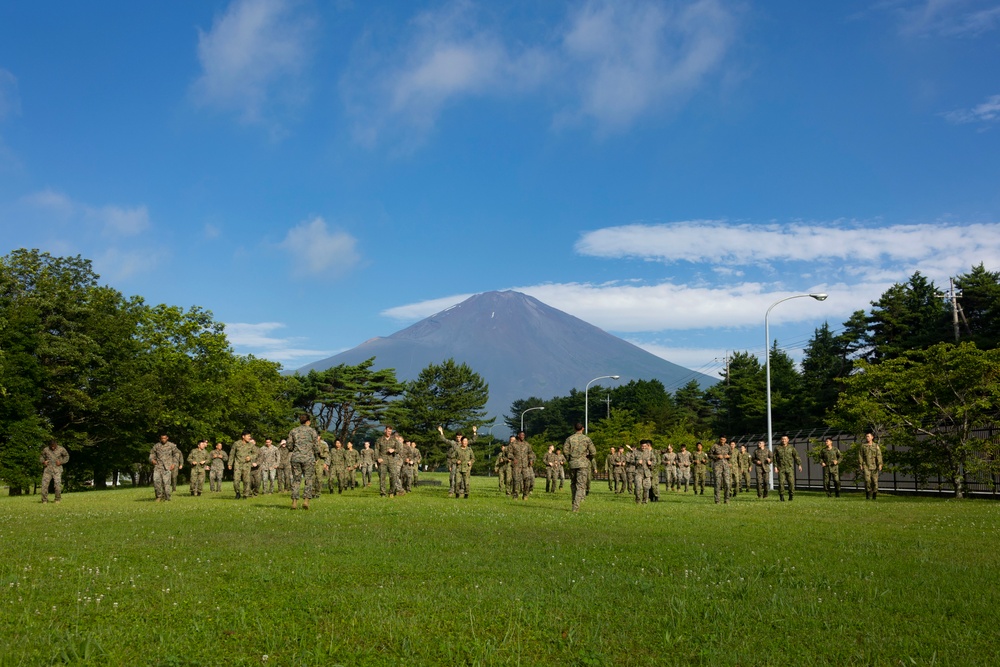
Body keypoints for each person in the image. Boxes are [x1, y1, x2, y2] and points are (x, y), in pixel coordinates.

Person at [287, 414, 319, 509]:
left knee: (296, 480)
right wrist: (317, 456)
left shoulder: (293, 431)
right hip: (308, 458)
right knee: (308, 480)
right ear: (308, 421)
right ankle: (306, 501)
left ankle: (294, 502)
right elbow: (316, 446)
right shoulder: (312, 431)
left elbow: (289, 446)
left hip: (296, 458)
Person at [564, 423, 596, 512]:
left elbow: (565, 451)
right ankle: (576, 506)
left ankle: (573, 502)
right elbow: (593, 452)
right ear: (583, 428)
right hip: (583, 464)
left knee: (573, 483)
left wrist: (569, 460)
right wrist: (588, 459)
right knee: (581, 485)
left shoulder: (569, 438)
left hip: (573, 464)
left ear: (574, 428)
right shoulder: (587, 439)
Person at [150, 434, 181, 502]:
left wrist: (174, 463)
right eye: (162, 438)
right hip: (158, 466)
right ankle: (158, 496)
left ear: (167, 438)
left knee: (166, 483)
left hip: (167, 467)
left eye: (165, 438)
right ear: (160, 439)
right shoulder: (156, 446)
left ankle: (167, 497)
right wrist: (152, 460)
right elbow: (152, 454)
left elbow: (176, 454)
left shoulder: (171, 445)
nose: (163, 439)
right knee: (156, 482)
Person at [39, 439, 70, 503]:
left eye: (54, 446)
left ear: (56, 444)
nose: (53, 447)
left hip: (57, 470)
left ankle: (57, 499)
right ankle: (44, 500)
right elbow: (41, 457)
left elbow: (67, 456)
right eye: (51, 446)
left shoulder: (61, 449)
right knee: (44, 485)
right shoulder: (46, 450)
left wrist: (61, 462)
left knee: (57, 485)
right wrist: (43, 462)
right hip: (48, 469)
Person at [773, 436, 802, 502]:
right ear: (781, 440)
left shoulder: (791, 448)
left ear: (788, 440)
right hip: (781, 468)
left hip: (789, 468)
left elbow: (796, 456)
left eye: (785, 439)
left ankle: (791, 495)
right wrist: (775, 467)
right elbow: (774, 458)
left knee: (791, 483)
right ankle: (781, 496)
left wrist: (799, 465)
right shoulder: (777, 448)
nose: (784, 440)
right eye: (782, 439)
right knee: (781, 483)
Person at [228, 432, 256, 500]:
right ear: (243, 436)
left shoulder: (251, 445)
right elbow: (232, 454)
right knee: (236, 480)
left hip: (246, 465)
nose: (249, 437)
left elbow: (256, 453)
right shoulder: (236, 444)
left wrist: (250, 457)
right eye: (248, 436)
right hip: (238, 465)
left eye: (250, 436)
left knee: (246, 481)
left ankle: (245, 495)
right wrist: (230, 463)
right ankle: (237, 493)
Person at [858, 432, 883, 500]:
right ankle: (868, 495)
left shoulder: (876, 446)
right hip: (866, 466)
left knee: (875, 482)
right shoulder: (863, 446)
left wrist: (880, 464)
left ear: (872, 437)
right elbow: (860, 455)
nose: (867, 438)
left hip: (874, 466)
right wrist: (860, 464)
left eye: (868, 436)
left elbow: (879, 455)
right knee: (867, 481)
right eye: (866, 436)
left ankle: (874, 495)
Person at [709, 436, 732, 504]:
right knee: (717, 483)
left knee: (727, 483)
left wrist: (728, 456)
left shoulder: (728, 446)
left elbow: (731, 454)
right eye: (721, 439)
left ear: (725, 440)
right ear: (719, 439)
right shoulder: (715, 446)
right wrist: (717, 456)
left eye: (724, 440)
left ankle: (726, 499)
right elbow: (709, 454)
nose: (722, 441)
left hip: (726, 466)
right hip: (717, 466)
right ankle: (717, 500)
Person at [507, 435, 530, 500]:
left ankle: (525, 495)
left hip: (525, 465)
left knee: (527, 479)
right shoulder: (513, 444)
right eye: (521, 435)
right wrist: (513, 458)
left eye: (523, 435)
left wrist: (531, 459)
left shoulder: (527, 444)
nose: (523, 436)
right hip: (516, 465)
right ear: (518, 435)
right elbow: (509, 454)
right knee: (516, 480)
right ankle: (515, 495)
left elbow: (531, 453)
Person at [633, 440, 656, 505]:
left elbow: (654, 460)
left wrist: (651, 463)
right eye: (642, 446)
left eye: (645, 446)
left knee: (646, 488)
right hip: (638, 472)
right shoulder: (635, 452)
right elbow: (630, 461)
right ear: (640, 446)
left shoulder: (649, 452)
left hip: (647, 473)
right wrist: (637, 462)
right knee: (638, 487)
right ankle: (638, 501)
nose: (644, 447)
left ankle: (645, 502)